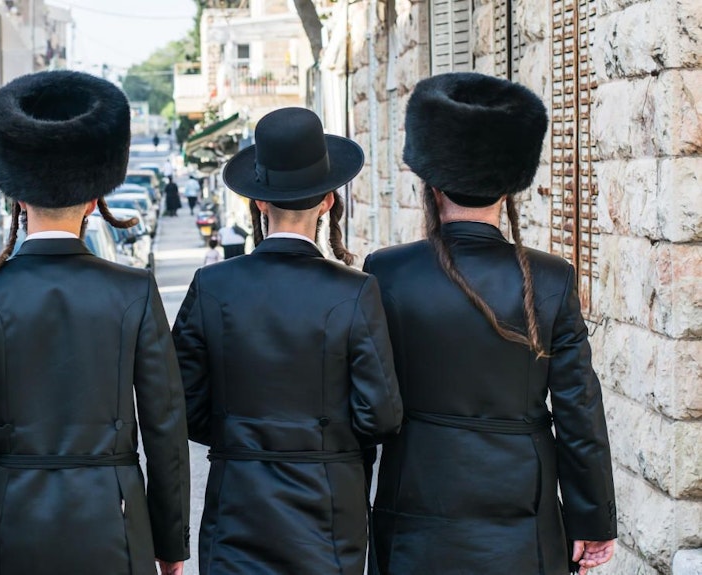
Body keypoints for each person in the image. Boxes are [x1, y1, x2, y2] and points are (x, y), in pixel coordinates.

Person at [0, 70, 191, 575]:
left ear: (17, 198)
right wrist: (171, 542)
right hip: (114, 521)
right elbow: (164, 428)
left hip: (11, 521)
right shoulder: (133, 289)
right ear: (94, 200)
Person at [364, 73, 616, 575]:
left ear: (430, 184)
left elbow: (368, 402)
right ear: (509, 189)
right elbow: (578, 411)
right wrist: (592, 521)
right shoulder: (552, 279)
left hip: (415, 505)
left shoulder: (386, 272)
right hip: (522, 514)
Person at [172, 107, 403, 574]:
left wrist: (240, 436)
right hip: (328, 506)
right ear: (328, 202)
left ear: (259, 203)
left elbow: (181, 404)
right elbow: (380, 415)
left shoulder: (212, 285)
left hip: (238, 500)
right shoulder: (355, 291)